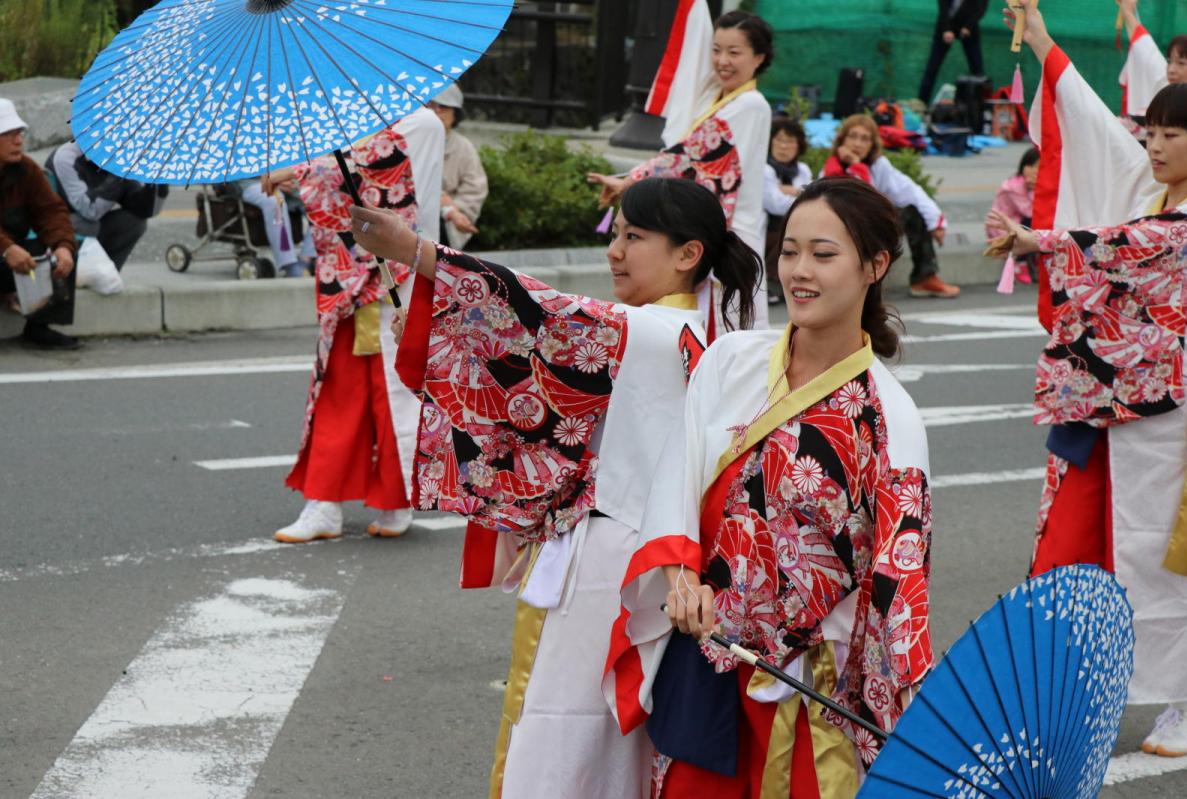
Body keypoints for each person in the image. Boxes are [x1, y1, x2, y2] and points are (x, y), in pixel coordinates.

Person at [350, 177, 760, 799]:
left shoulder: (643, 332)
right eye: (615, 234)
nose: (615, 251)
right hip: (643, 556)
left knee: (560, 732)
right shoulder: (697, 335)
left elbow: (533, 311)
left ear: (688, 254)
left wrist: (413, 250)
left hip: (606, 560)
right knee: (604, 739)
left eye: (635, 237)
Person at [605, 177, 932, 796]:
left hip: (808, 685)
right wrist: (680, 582)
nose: (800, 272)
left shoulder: (892, 421)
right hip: (704, 653)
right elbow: (676, 483)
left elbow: (899, 591)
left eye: (824, 255)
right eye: (790, 252)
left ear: (875, 265)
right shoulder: (731, 361)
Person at [997, 0, 1187, 758]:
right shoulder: (1157, 193)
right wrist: (1046, 44)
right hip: (1128, 400)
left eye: (1171, 134)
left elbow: (1130, 245)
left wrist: (1039, 239)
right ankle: (1103, 682)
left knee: (1168, 553)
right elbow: (1090, 126)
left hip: (1182, 408)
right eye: (1150, 131)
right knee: (1115, 546)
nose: (1151, 145)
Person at [266, 107, 444, 544]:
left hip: (390, 275)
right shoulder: (354, 124)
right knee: (346, 390)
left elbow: (380, 174)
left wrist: (300, 170)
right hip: (359, 277)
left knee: (389, 392)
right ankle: (329, 502)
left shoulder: (419, 122)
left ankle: (390, 499)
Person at [588, 9, 774, 332]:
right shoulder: (716, 98)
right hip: (716, 223)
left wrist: (633, 180)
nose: (722, 61)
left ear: (759, 57)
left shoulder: (752, 104)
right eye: (716, 50)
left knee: (730, 324)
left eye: (734, 52)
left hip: (735, 230)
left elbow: (694, 150)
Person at [823, 114, 958, 298]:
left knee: (913, 213)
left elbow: (909, 190)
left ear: (872, 144)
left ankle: (924, 278)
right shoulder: (831, 167)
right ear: (842, 139)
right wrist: (855, 166)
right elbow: (857, 201)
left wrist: (936, 222)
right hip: (839, 228)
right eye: (853, 136)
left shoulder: (879, 165)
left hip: (870, 228)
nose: (857, 143)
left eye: (864, 139)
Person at [0, 98, 79, 350]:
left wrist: (63, 246)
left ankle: (39, 327)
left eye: (19, 133)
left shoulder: (26, 170)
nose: (18, 141)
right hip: (5, 252)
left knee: (62, 256)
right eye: (8, 134)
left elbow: (51, 211)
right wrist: (6, 248)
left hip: (15, 254)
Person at [45, 139, 167, 271]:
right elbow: (89, 210)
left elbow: (146, 210)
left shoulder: (117, 157)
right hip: (61, 228)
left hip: (91, 224)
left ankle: (106, 274)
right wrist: (119, 173)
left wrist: (157, 178)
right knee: (89, 224)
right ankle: (72, 275)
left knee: (135, 223)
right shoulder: (65, 157)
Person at [427, 85, 488, 251]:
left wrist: (454, 208)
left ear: (455, 114)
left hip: (446, 224)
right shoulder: (411, 142)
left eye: (443, 107)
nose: (437, 111)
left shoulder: (464, 147)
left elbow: (475, 188)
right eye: (430, 105)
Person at [1117, 0, 1187, 121]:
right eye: (1169, 61)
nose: (1171, 70)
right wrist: (1128, 11)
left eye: (1181, 63)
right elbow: (1145, 50)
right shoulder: (1165, 91)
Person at [763, 115, 812, 303]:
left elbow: (810, 198)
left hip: (799, 223)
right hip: (770, 226)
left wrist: (791, 191)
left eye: (789, 141)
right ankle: (772, 284)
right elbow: (775, 205)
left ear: (798, 145)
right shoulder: (765, 169)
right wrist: (801, 193)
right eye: (779, 140)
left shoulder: (803, 169)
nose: (783, 146)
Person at [239, 177, 315, 278]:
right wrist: (274, 178)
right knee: (275, 201)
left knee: (320, 199)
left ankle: (307, 258)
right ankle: (288, 264)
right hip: (251, 181)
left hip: (282, 177)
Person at [917, 0, 990, 105]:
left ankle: (980, 108)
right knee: (932, 68)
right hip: (945, 26)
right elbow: (943, 8)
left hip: (969, 27)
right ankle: (921, 105)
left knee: (978, 71)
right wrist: (946, 29)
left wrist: (968, 26)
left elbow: (981, 9)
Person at [985, 146, 1039, 283]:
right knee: (1032, 221)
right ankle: (1019, 263)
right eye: (1030, 165)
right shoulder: (1013, 187)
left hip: (1017, 223)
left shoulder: (1029, 185)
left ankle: (1034, 257)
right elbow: (1029, 210)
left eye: (1039, 166)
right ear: (1023, 166)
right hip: (1002, 227)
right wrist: (1038, 189)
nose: (1034, 170)